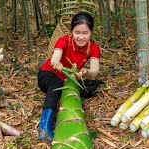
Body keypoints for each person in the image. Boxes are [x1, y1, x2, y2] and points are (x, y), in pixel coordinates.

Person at [37, 12, 103, 141]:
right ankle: (44, 127)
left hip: (69, 80)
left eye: (85, 33)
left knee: (95, 85)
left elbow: (95, 72)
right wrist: (56, 63)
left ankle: (68, 94)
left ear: (91, 33)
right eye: (77, 32)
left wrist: (86, 72)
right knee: (56, 85)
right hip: (49, 75)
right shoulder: (64, 41)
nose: (81, 37)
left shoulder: (93, 48)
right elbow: (54, 58)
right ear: (71, 31)